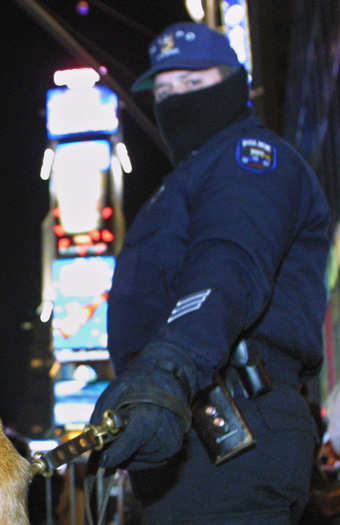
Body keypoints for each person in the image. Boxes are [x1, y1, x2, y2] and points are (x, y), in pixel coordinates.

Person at [89, 22, 331, 524]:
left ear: (234, 85)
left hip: (236, 425)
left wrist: (168, 369)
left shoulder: (247, 160)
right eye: (165, 91)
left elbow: (229, 263)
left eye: (193, 84)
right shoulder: (184, 182)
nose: (176, 100)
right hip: (188, 435)